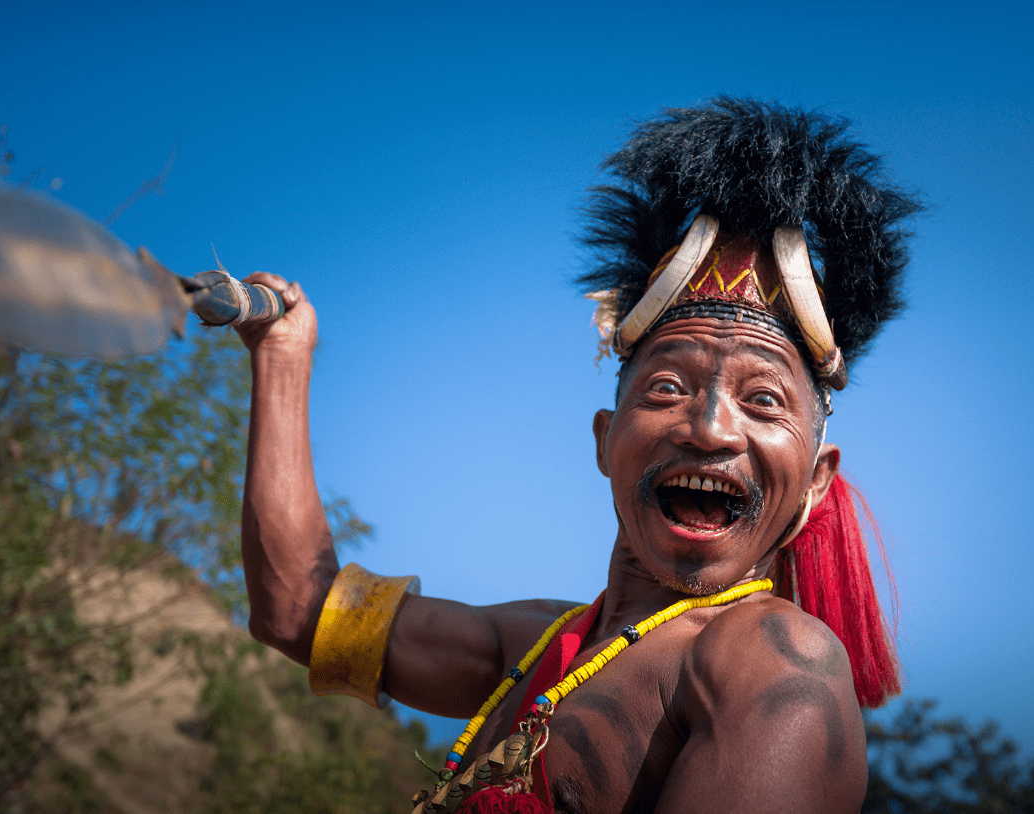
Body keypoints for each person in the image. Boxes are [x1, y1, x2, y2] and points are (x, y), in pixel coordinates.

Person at [236, 98, 923, 814]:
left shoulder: (769, 661)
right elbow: (299, 615)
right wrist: (284, 357)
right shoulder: (536, 645)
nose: (711, 429)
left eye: (763, 402)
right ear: (603, 438)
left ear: (815, 483)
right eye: (667, 386)